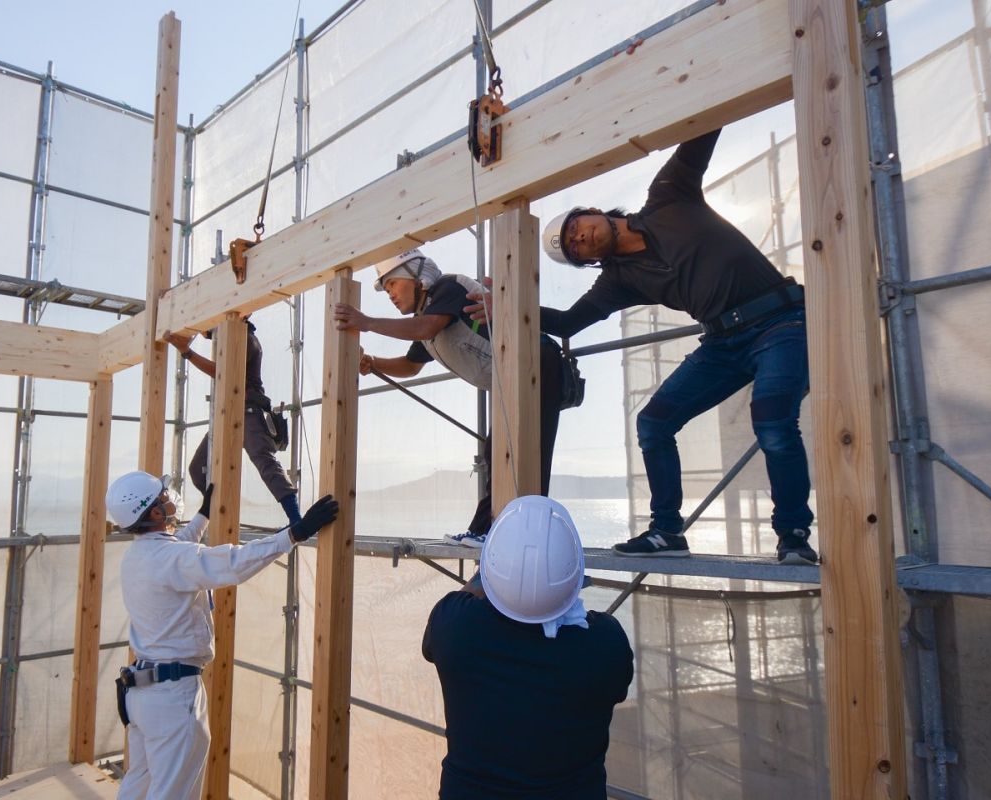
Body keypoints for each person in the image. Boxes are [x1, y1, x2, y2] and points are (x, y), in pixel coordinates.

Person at [467, 128, 817, 565]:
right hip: (723, 342)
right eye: (575, 248)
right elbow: (571, 321)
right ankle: (667, 531)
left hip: (782, 322)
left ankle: (793, 536)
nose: (581, 239)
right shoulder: (619, 279)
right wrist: (507, 302)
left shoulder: (670, 196)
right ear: (587, 262)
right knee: (653, 422)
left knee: (772, 420)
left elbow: (704, 128)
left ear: (592, 212)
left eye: (577, 228)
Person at [107, 469, 337, 800]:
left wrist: (202, 515)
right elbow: (233, 562)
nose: (170, 500)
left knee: (138, 783)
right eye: (163, 498)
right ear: (155, 513)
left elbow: (180, 549)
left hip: (142, 695)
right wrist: (294, 533)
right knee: (172, 793)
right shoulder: (172, 558)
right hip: (173, 697)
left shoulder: (139, 556)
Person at [332, 248, 565, 548]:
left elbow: (426, 327)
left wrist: (367, 323)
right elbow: (411, 366)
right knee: (500, 454)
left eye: (392, 283)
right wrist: (374, 363)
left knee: (531, 457)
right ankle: (492, 532)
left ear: (417, 276)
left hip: (538, 364)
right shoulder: (426, 317)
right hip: (513, 380)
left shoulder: (448, 288)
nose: (389, 293)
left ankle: (524, 540)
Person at [422, 495, 634, 799]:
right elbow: (614, 678)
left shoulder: (455, 628)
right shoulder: (606, 645)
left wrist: (489, 571)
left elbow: (468, 597)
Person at [165, 319, 301, 525]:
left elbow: (224, 373)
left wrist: (187, 351)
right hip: (226, 412)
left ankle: (295, 518)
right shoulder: (229, 340)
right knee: (198, 468)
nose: (205, 332)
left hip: (248, 409)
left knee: (263, 459)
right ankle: (219, 513)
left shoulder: (246, 339)